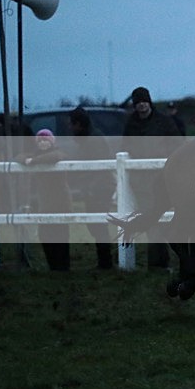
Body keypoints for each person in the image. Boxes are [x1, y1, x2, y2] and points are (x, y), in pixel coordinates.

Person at [122, 86, 184, 269]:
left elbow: (178, 145)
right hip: (141, 181)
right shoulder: (130, 125)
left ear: (149, 102)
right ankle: (158, 263)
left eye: (144, 101)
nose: (141, 105)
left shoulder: (164, 122)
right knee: (151, 220)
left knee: (181, 217)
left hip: (165, 178)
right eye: (138, 102)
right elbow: (124, 148)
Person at [18, 129, 72, 271]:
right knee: (45, 234)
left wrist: (34, 161)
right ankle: (53, 265)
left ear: (52, 141)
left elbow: (56, 156)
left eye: (45, 140)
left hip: (60, 201)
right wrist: (26, 159)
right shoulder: (35, 154)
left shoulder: (58, 153)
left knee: (61, 234)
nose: (42, 143)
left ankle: (63, 266)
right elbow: (20, 157)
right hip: (45, 203)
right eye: (40, 140)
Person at [69, 107, 114, 269]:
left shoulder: (93, 139)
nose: (71, 128)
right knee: (96, 225)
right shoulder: (90, 137)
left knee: (98, 224)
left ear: (79, 124)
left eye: (73, 124)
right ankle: (105, 260)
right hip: (95, 187)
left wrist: (91, 187)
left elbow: (100, 167)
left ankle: (105, 261)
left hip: (99, 188)